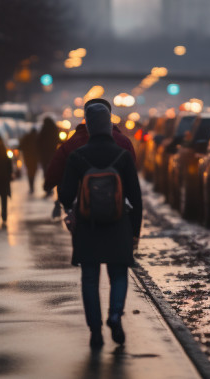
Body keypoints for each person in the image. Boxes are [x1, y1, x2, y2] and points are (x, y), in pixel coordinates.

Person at [58, 102, 142, 350]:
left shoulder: (77, 156)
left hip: (88, 227)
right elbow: (136, 199)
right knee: (118, 274)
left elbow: (65, 195)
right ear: (108, 125)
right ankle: (115, 316)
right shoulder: (122, 156)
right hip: (118, 226)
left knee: (90, 279)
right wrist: (134, 233)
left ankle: (95, 331)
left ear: (89, 127)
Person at [37, 116, 61, 196]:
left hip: (45, 155)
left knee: (46, 171)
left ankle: (48, 187)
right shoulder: (54, 129)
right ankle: (50, 186)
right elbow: (57, 139)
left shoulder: (44, 129)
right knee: (51, 171)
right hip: (52, 154)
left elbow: (39, 141)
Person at [19, 125, 40, 194]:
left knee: (30, 172)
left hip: (28, 157)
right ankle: (32, 185)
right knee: (33, 171)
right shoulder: (37, 138)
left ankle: (31, 186)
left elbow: (21, 146)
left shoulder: (27, 137)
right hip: (34, 158)